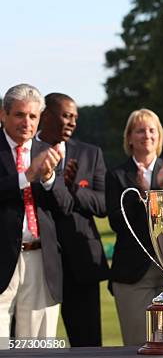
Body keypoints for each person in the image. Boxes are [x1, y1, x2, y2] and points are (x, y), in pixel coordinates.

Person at [106, 108, 163, 345]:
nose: (147, 135)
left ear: (160, 136)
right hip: (132, 274)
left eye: (152, 130)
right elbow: (118, 223)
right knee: (137, 345)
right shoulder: (117, 175)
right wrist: (145, 194)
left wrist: (158, 190)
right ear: (129, 137)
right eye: (140, 130)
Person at [38, 93, 109, 347]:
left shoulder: (91, 154)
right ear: (46, 115)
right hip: (37, 261)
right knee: (30, 341)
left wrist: (74, 190)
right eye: (66, 115)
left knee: (88, 344)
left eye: (75, 118)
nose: (72, 123)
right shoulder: (26, 152)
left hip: (81, 261)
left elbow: (103, 205)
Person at [0, 84, 70, 338]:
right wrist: (27, 176)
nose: (26, 122)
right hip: (3, 256)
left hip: (40, 259)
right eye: (19, 114)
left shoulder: (47, 152)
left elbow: (65, 205)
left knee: (37, 345)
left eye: (32, 116)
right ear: (3, 115)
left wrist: (50, 179)